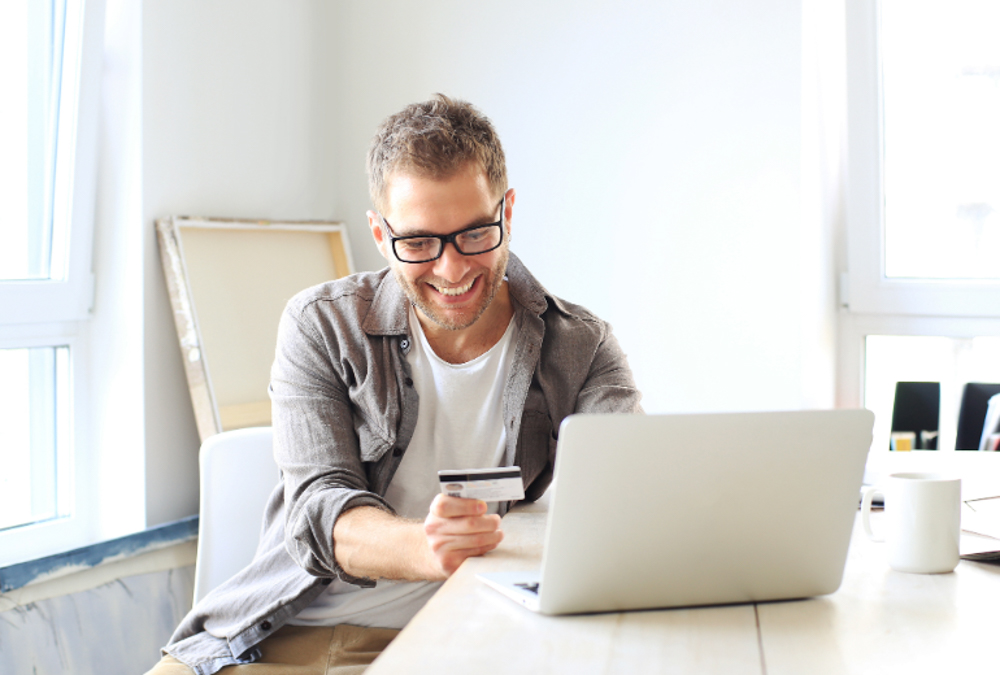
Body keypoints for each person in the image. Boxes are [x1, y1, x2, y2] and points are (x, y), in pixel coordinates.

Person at [146, 94, 642, 675]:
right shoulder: (320, 325)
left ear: (507, 210)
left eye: (476, 234)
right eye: (419, 243)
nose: (452, 270)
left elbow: (625, 498)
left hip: (431, 641)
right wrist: (427, 547)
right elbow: (320, 510)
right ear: (381, 236)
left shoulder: (580, 347)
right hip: (267, 635)